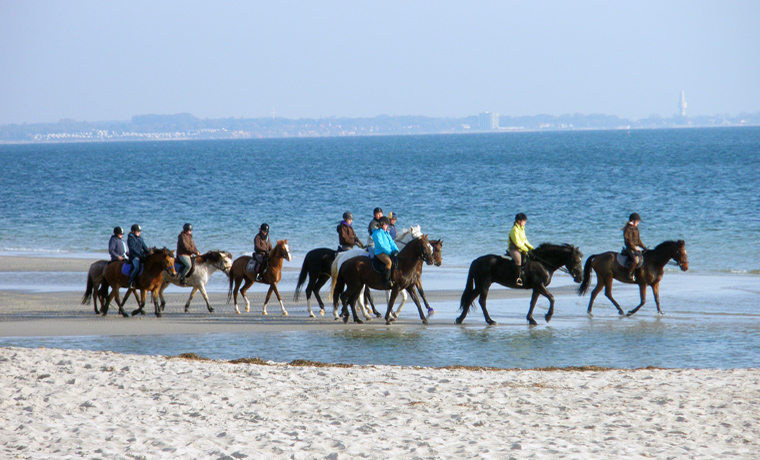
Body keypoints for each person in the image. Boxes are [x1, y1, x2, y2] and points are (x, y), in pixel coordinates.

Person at [371, 216, 400, 289]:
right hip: (380, 252)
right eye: (386, 224)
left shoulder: (386, 233)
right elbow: (381, 245)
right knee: (389, 262)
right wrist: (390, 252)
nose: (387, 226)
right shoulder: (377, 233)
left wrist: (396, 250)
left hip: (388, 252)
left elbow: (392, 242)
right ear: (381, 224)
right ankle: (386, 281)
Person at [508, 213, 534, 286]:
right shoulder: (514, 230)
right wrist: (526, 249)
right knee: (518, 260)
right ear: (519, 221)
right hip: (514, 249)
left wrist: (532, 248)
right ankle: (517, 279)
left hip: (521, 249)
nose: (525, 222)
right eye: (524, 221)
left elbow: (525, 241)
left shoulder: (522, 230)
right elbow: (517, 243)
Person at [623, 213, 646, 281]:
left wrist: (644, 248)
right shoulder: (628, 229)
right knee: (635, 260)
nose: (638, 223)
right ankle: (629, 275)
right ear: (633, 221)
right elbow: (628, 241)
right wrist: (634, 247)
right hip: (630, 248)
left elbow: (638, 241)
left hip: (636, 248)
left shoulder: (636, 228)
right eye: (638, 221)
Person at [127, 224, 150, 288]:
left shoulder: (140, 238)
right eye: (137, 232)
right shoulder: (131, 238)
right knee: (136, 267)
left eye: (139, 232)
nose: (139, 233)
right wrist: (139, 255)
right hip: (134, 256)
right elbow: (132, 249)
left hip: (141, 255)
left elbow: (144, 247)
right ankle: (130, 281)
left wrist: (149, 253)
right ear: (133, 232)